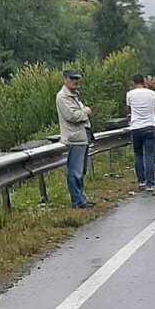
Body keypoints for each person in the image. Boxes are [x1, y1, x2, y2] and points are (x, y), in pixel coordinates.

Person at [56, 70, 94, 210]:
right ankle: (78, 201)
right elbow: (72, 116)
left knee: (81, 171)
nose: (75, 81)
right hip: (74, 138)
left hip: (81, 136)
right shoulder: (63, 97)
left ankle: (81, 198)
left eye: (77, 78)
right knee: (75, 171)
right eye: (72, 78)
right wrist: (86, 112)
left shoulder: (74, 95)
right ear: (65, 79)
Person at [126, 74, 155, 193]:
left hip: (136, 127)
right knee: (149, 156)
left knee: (138, 154)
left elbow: (129, 111)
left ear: (133, 82)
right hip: (150, 126)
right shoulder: (152, 93)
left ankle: (141, 181)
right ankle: (150, 184)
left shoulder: (129, 94)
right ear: (143, 82)